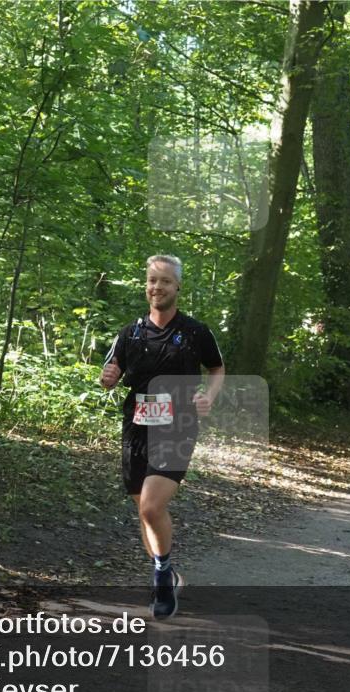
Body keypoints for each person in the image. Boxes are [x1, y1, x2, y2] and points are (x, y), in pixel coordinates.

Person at [100, 255, 225, 619]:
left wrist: (209, 396)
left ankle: (161, 578)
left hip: (178, 425)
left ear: (177, 287)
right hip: (136, 427)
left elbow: (217, 368)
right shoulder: (130, 332)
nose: (157, 287)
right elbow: (110, 373)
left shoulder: (196, 332)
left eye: (165, 281)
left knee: (151, 507)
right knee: (145, 511)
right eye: (152, 281)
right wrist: (107, 378)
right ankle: (168, 574)